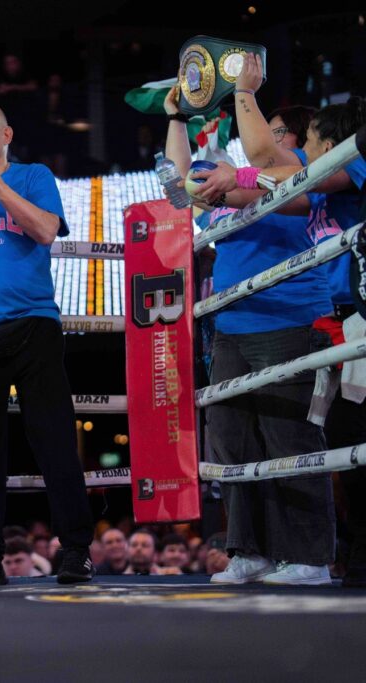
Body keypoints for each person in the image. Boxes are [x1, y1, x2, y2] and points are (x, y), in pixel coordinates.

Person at [183, 68, 362, 585]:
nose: (294, 148)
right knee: (232, 439)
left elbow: (265, 165)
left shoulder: (322, 173)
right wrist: (183, 129)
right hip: (235, 323)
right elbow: (201, 189)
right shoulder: (291, 180)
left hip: (292, 316)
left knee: (291, 437)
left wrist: (243, 95)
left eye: (297, 137)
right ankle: (250, 550)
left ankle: (309, 556)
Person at [0, 101, 94, 586]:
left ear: (6, 135)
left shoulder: (32, 176)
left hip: (33, 325)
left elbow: (46, 230)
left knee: (54, 440)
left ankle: (76, 550)